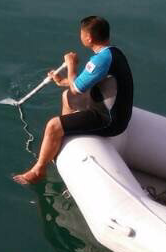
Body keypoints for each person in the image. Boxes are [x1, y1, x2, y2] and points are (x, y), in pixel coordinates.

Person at [12, 15, 134, 185]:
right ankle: (64, 132)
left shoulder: (101, 60)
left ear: (88, 38)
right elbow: (82, 83)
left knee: (52, 125)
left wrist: (71, 65)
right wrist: (62, 81)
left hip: (110, 120)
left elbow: (77, 89)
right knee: (66, 96)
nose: (80, 36)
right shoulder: (111, 53)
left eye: (81, 33)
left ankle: (38, 170)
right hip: (108, 106)